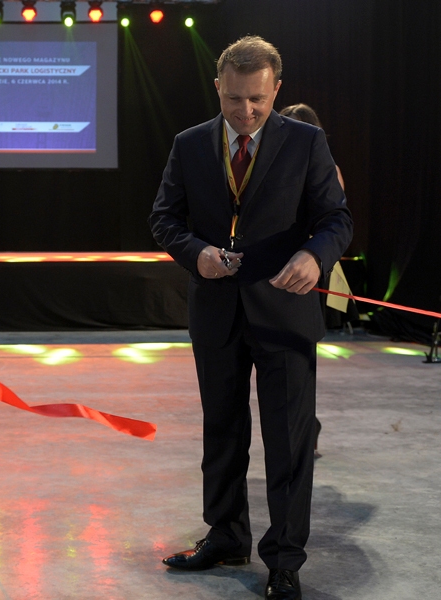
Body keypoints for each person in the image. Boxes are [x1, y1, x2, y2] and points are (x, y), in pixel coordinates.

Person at [149, 36, 352, 600]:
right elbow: (164, 218)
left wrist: (314, 256)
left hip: (285, 312)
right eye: (234, 98)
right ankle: (226, 535)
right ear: (218, 86)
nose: (245, 111)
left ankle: (284, 560)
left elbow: (336, 219)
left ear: (276, 89)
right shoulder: (190, 143)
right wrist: (197, 253)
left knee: (288, 441)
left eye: (257, 99)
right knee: (222, 430)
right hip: (216, 311)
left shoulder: (307, 142)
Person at [279, 103, 347, 460]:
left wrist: (311, 255)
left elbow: (334, 219)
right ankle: (306, 425)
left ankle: (306, 426)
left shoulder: (326, 169)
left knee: (298, 359)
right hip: (281, 270)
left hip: (308, 269)